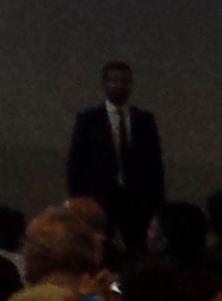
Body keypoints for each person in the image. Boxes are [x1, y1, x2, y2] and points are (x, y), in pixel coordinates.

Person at [69, 59, 168, 256]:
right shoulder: (89, 120)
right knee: (97, 247)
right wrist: (77, 200)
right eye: (114, 81)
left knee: (138, 248)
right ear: (104, 84)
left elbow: (154, 164)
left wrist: (157, 202)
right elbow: (77, 163)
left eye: (124, 81)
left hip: (137, 198)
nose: (119, 85)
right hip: (99, 196)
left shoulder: (145, 120)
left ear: (131, 84)